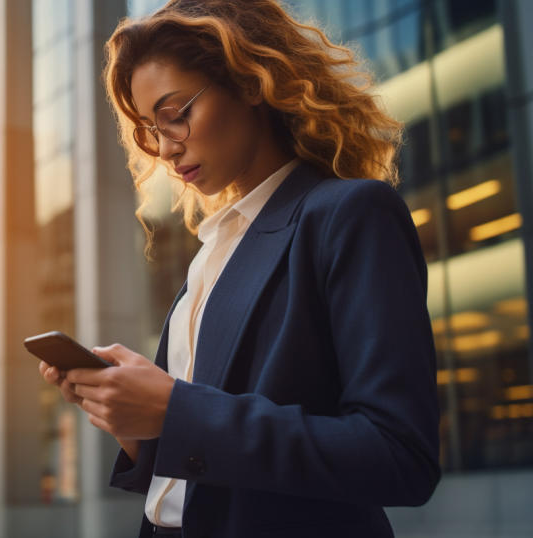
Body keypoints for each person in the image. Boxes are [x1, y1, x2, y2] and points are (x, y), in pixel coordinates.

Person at [38, 1, 440, 536]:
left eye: (176, 112)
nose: (164, 148)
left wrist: (174, 410)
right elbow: (200, 461)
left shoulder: (348, 215)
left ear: (251, 82)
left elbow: (398, 456)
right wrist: (135, 418)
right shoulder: (216, 246)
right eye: (149, 130)